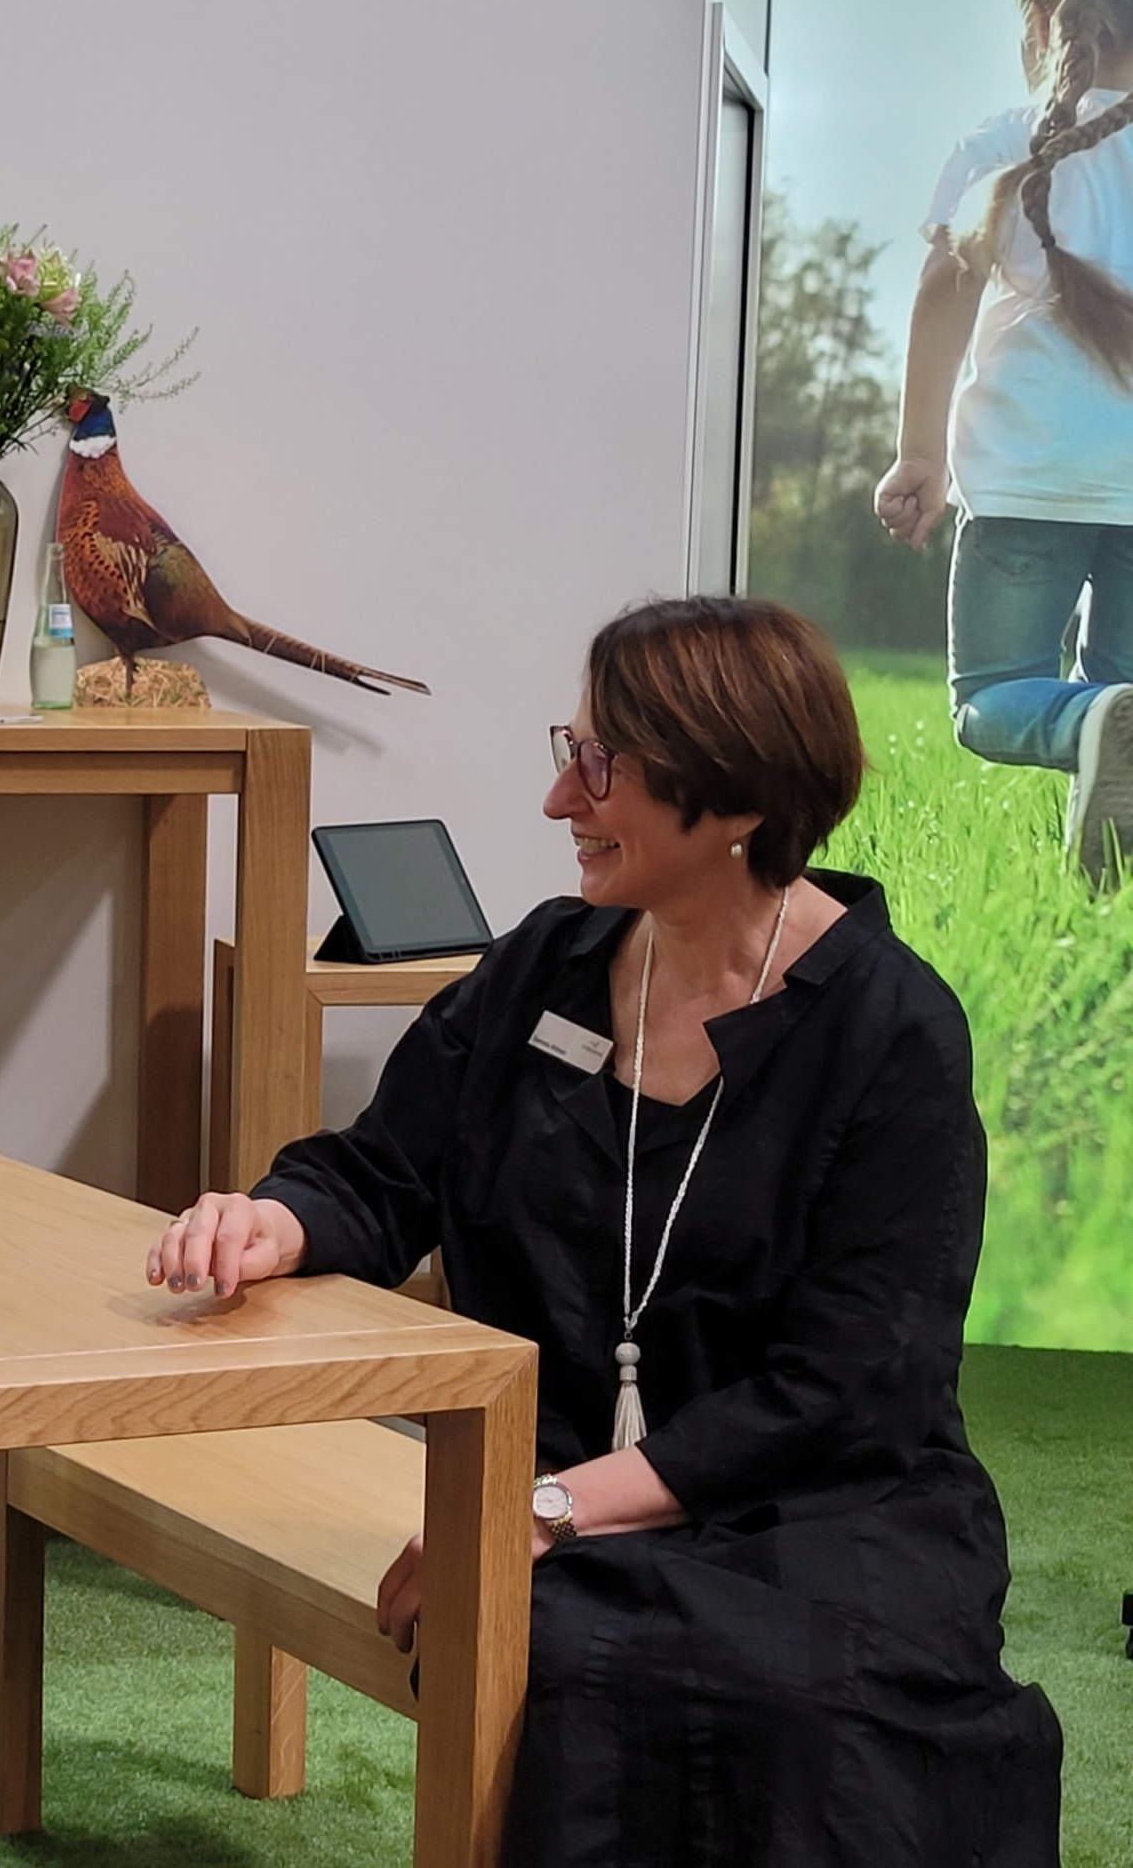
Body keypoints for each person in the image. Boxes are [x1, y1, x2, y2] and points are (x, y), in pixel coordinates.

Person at [149, 599, 1063, 1865]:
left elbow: (854, 1388)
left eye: (599, 766)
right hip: (572, 1491)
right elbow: (382, 1172)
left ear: (731, 795)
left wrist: (547, 1509)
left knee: (805, 1701)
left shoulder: (890, 1031)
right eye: (569, 751)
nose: (555, 800)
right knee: (571, 1650)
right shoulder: (548, 964)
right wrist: (269, 1220)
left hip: (825, 1501)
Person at [876, 0, 1133, 885]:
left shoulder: (1002, 141)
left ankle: (1089, 742)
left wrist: (920, 452)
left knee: (989, 698)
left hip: (1026, 481)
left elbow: (943, 290)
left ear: (1047, 14)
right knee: (1125, 703)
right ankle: (1106, 886)